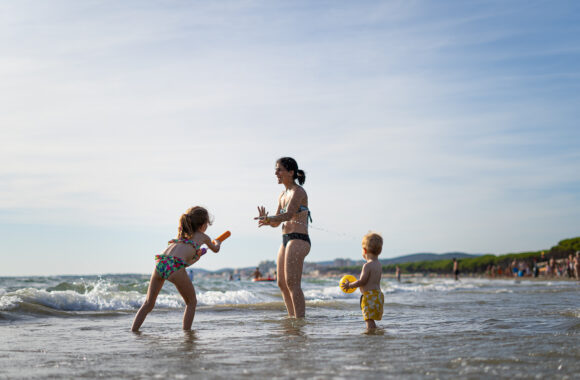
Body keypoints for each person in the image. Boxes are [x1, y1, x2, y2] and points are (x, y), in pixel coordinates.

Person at [131, 206, 221, 332]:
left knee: (148, 303)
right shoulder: (203, 237)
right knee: (191, 302)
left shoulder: (181, 236)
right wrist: (217, 242)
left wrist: (197, 256)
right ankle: (187, 334)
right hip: (175, 266)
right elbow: (215, 249)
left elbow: (184, 261)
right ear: (203, 224)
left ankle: (133, 331)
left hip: (161, 263)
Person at [255, 157, 311, 318]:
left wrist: (271, 219)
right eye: (276, 169)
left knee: (293, 283)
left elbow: (288, 215)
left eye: (279, 169)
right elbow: (277, 222)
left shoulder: (298, 191)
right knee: (281, 283)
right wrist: (267, 221)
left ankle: (299, 321)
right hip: (286, 238)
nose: (276, 173)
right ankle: (292, 318)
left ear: (291, 172)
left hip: (299, 239)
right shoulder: (282, 195)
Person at [341, 232, 384, 330]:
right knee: (371, 318)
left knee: (368, 319)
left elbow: (362, 281)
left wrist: (350, 285)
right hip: (378, 295)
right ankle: (375, 330)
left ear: (364, 250)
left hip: (369, 296)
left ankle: (370, 333)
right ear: (380, 250)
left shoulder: (367, 265)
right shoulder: (379, 264)